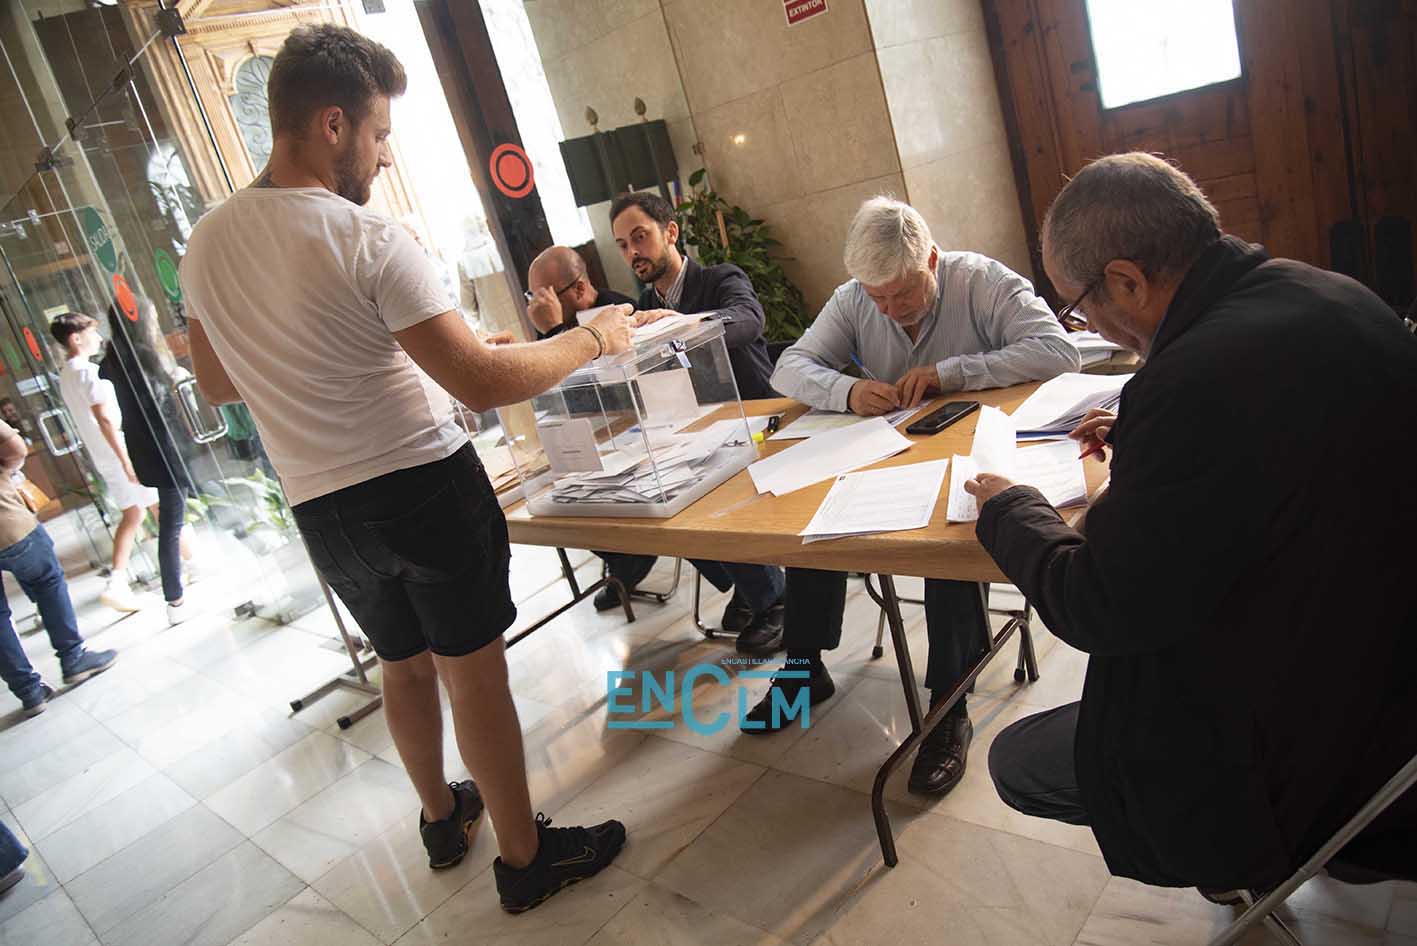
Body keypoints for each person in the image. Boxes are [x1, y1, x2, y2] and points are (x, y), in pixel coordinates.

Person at [180, 24, 630, 914]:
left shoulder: (207, 243)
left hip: (323, 508)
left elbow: (219, 381)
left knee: (401, 662)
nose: (385, 157)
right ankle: (525, 857)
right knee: (473, 670)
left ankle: (439, 817)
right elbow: (477, 381)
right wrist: (590, 337)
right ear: (334, 124)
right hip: (421, 485)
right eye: (381, 134)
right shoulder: (364, 236)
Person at [970, 152, 1417, 894]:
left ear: (1125, 280)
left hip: (1320, 733)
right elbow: (1277, 433)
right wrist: (1142, 426)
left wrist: (1008, 507)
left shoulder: (1192, 383)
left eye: (1078, 307)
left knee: (1018, 761)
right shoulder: (1328, 293)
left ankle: (1241, 870)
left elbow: (1100, 608)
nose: (1090, 326)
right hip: (1381, 663)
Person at [756, 196, 1080, 797]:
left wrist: (950, 373)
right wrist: (847, 391)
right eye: (876, 297)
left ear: (930, 259)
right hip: (890, 457)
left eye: (901, 294)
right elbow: (790, 366)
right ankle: (804, 668)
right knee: (810, 520)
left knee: (947, 541)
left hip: (972, 459)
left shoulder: (981, 281)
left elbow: (1058, 350)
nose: (887, 308)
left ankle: (947, 706)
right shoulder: (856, 297)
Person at [595, 192, 787, 648]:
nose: (632, 252)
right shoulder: (639, 305)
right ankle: (752, 583)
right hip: (690, 429)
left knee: (704, 490)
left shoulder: (721, 278)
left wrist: (684, 325)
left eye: (639, 237)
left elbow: (748, 320)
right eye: (622, 244)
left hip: (754, 419)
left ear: (671, 232)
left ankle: (774, 597)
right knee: (657, 498)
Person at [0, 416, 117, 717]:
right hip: (7, 523)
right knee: (46, 579)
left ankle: (29, 693)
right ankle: (73, 659)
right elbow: (13, 446)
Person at [51, 312, 157, 613]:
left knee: (134, 513)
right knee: (157, 506)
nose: (98, 338)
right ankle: (187, 564)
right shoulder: (87, 371)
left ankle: (118, 582)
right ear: (76, 338)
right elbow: (105, 418)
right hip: (119, 452)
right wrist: (127, 461)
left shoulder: (67, 374)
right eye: (92, 332)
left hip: (105, 456)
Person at [99, 301, 196, 626]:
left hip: (144, 447)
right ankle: (174, 599)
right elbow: (165, 391)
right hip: (166, 446)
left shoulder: (114, 356)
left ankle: (180, 588)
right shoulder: (143, 353)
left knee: (171, 519)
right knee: (171, 523)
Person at [525, 245, 635, 340]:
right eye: (533, 297)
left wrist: (554, 330)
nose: (539, 305)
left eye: (546, 297)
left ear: (579, 289)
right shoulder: (548, 318)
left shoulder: (621, 313)